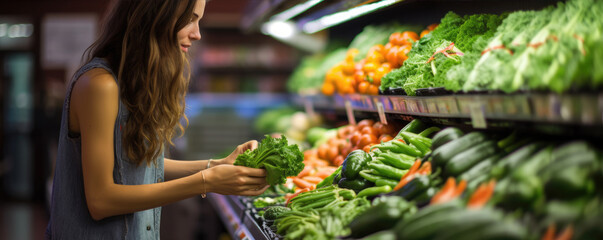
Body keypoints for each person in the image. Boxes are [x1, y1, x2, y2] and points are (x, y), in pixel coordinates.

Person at [45, 0, 269, 239]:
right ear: (156, 15)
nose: (197, 34)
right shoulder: (100, 85)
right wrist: (207, 181)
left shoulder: (131, 83)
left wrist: (216, 165)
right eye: (190, 19)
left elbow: (139, 166)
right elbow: (101, 200)